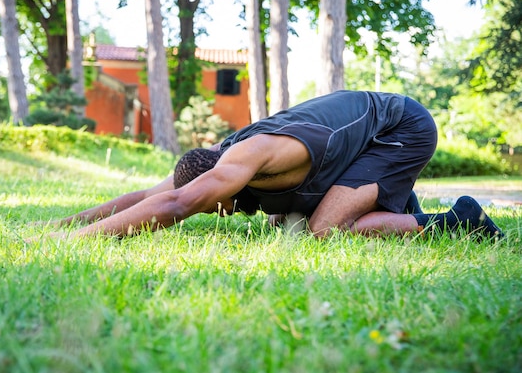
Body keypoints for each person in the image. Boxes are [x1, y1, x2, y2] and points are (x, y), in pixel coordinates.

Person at [41, 90, 502, 241]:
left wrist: (74, 244)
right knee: (288, 221)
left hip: (397, 128)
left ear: (227, 182)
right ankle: (393, 199)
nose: (211, 209)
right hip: (352, 147)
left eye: (213, 202)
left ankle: (460, 222)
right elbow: (151, 196)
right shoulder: (215, 160)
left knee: (323, 230)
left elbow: (179, 204)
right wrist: (62, 224)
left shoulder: (249, 157)